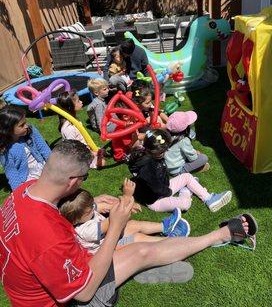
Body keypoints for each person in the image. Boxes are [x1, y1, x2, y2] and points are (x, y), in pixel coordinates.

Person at [0, 139, 258, 307]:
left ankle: (160, 255)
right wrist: (114, 226)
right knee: (135, 248)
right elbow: (84, 293)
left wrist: (97, 205)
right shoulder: (48, 237)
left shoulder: (23, 191)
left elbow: (42, 228)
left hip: (36, 285)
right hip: (70, 300)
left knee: (130, 241)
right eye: (85, 177)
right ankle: (220, 235)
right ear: (72, 181)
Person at [59, 181, 190, 254]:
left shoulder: (81, 216)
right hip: (109, 248)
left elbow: (98, 207)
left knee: (133, 224)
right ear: (76, 220)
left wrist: (110, 204)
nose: (94, 207)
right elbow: (118, 219)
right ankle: (169, 242)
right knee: (136, 238)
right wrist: (127, 196)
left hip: (109, 236)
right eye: (90, 209)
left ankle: (165, 227)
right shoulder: (86, 230)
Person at [129, 129, 232, 213]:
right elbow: (156, 188)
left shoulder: (153, 156)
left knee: (187, 176)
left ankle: (209, 199)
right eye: (162, 151)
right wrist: (169, 191)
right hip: (155, 200)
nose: (165, 152)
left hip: (165, 186)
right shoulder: (147, 168)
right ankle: (186, 191)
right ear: (153, 151)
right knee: (185, 204)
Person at [0, 105, 50, 190]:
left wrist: (54, 164)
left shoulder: (30, 131)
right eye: (22, 125)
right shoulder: (5, 149)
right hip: (27, 178)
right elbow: (12, 174)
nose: (26, 126)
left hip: (42, 166)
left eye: (25, 122)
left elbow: (44, 149)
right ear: (9, 129)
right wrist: (19, 192)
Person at [57, 90, 105, 168]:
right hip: (80, 156)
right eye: (78, 101)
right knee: (102, 162)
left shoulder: (75, 120)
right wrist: (91, 154)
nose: (81, 102)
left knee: (102, 151)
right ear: (70, 107)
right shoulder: (68, 129)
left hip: (86, 149)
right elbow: (74, 149)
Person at [164, 111, 210, 175]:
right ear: (185, 128)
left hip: (165, 165)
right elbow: (192, 158)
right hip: (175, 170)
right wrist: (196, 153)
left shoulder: (164, 134)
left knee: (191, 134)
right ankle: (183, 172)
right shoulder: (184, 140)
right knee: (204, 158)